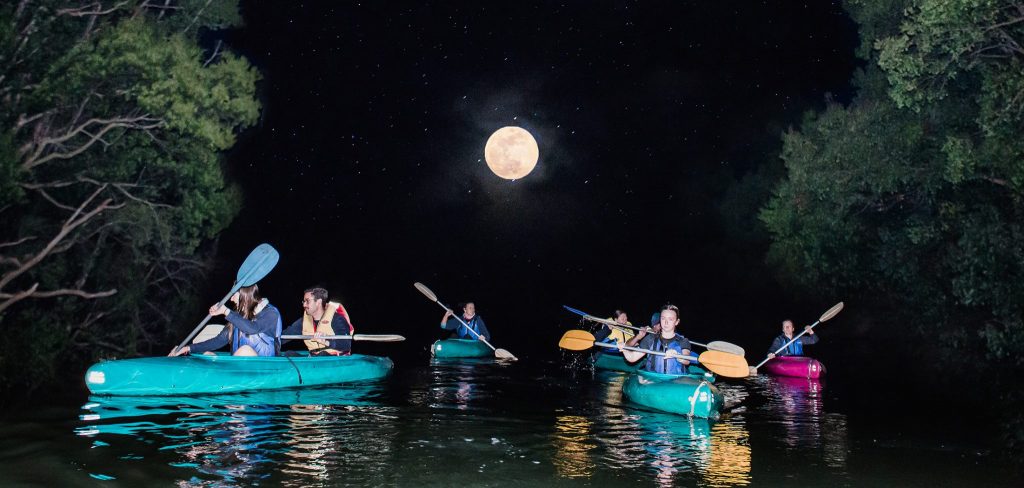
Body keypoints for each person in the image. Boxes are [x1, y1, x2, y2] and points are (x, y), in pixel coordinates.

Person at [170, 284, 282, 357]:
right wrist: (187, 348)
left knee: (245, 351)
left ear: (245, 295)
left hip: (266, 368)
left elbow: (252, 329)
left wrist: (226, 312)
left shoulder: (271, 313)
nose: (231, 299)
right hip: (239, 367)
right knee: (208, 354)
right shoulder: (238, 317)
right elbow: (217, 341)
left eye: (234, 295)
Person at [618, 304, 692, 375]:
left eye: (670, 319)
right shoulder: (650, 339)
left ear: (677, 322)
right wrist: (624, 349)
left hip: (676, 380)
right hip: (653, 379)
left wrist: (677, 355)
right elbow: (632, 358)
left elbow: (687, 359)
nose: (666, 322)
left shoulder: (683, 341)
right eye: (663, 318)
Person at [281, 287, 354, 356]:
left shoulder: (337, 319)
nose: (304, 304)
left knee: (323, 354)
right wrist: (272, 340)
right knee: (289, 354)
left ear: (318, 302)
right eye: (304, 301)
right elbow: (286, 335)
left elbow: (346, 345)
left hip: (334, 359)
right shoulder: (303, 321)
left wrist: (326, 341)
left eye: (307, 301)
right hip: (315, 358)